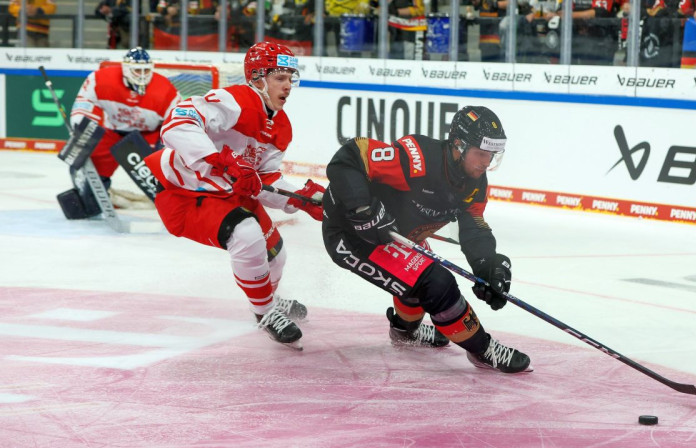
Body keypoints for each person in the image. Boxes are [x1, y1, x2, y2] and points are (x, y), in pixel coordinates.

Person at [321, 106, 532, 374]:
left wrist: (487, 265)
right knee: (436, 284)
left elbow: (474, 226)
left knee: (417, 283)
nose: (486, 162)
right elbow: (351, 155)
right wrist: (361, 209)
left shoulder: (474, 181)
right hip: (351, 235)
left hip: (397, 235)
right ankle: (483, 349)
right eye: (481, 153)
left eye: (491, 155)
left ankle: (404, 331)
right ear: (458, 145)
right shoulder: (417, 157)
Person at [142, 41, 324, 350]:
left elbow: (266, 179)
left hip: (231, 193)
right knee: (246, 233)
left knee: (276, 256)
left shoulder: (282, 126)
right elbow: (177, 121)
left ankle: (268, 296)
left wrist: (302, 199)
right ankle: (265, 313)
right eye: (280, 77)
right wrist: (217, 158)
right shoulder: (235, 100)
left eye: (291, 78)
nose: (288, 86)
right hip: (189, 193)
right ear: (257, 78)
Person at [69, 47, 181, 208]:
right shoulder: (101, 79)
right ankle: (93, 199)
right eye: (137, 70)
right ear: (126, 69)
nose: (142, 74)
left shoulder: (164, 89)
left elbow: (176, 120)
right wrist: (79, 123)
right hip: (113, 131)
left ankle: (173, 201)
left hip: (147, 135)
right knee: (97, 166)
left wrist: (165, 147)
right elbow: (85, 101)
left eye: (146, 70)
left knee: (162, 171)